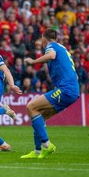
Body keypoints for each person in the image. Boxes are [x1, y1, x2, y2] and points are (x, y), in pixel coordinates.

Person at [21, 28, 79, 159]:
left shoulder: (51, 46)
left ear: (44, 39)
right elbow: (75, 76)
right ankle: (37, 151)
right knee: (39, 117)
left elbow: (51, 56)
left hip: (65, 89)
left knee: (31, 107)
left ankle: (46, 145)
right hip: (73, 91)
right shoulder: (63, 49)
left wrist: (33, 61)